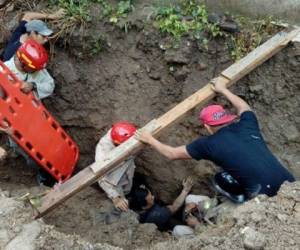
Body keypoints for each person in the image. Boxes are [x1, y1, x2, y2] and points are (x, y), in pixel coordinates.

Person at [135, 78, 295, 203]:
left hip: (265, 197)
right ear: (227, 117)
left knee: (221, 179)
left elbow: (172, 154)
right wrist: (223, 89)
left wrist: (149, 139)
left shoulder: (208, 145)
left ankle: (246, 201)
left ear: (207, 126)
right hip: (291, 185)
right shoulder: (247, 124)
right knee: (231, 172)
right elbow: (244, 108)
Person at [1, 39, 55, 185]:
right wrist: (6, 127)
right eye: (34, 70)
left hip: (38, 118)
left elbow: (50, 85)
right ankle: (44, 178)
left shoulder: (36, 69)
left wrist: (33, 85)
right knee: (33, 156)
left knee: (49, 148)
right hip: (17, 124)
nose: (38, 72)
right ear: (23, 63)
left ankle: (54, 173)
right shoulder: (3, 72)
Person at [96, 121, 137, 212]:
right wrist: (115, 197)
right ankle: (124, 197)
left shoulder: (123, 133)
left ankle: (128, 192)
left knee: (128, 187)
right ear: (117, 144)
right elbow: (100, 177)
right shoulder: (103, 153)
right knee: (122, 202)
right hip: (113, 180)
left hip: (126, 166)